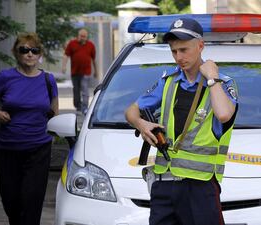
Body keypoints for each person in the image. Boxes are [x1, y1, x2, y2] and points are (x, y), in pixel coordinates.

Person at [125, 18, 238, 225]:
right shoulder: (168, 82)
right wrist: (142, 125)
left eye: (184, 50)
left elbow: (223, 114)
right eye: (174, 51)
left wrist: (212, 77)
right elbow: (131, 111)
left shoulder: (222, 83)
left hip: (200, 186)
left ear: (201, 46)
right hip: (164, 184)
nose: (179, 57)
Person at [0, 32, 59, 225]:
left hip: (38, 149)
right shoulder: (6, 78)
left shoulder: (48, 80)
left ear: (39, 54)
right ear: (16, 53)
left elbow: (54, 111)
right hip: (8, 148)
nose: (29, 54)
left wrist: (52, 132)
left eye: (34, 50)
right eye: (24, 50)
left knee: (32, 200)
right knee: (11, 200)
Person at [62, 28, 97, 114]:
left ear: (87, 37)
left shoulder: (91, 45)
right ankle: (78, 106)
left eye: (84, 36)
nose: (83, 38)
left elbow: (94, 59)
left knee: (85, 89)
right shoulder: (72, 44)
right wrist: (64, 66)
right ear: (78, 36)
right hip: (75, 72)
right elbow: (66, 55)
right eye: (81, 36)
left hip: (86, 72)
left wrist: (96, 71)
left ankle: (84, 107)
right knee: (76, 90)